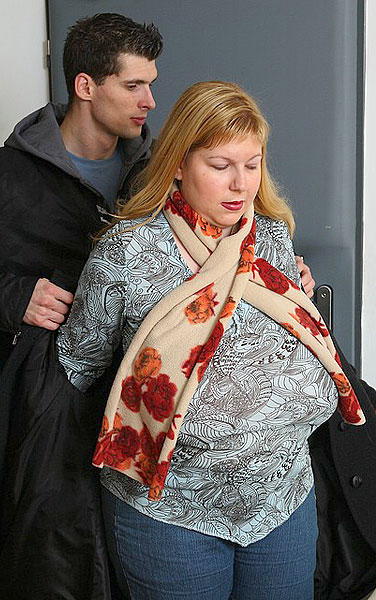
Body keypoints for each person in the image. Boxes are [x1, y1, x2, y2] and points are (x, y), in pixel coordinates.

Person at [54, 81, 365, 600]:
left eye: (252, 164)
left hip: (280, 501)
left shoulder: (269, 238)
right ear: (178, 163)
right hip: (171, 512)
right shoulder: (126, 254)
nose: (240, 184)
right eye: (220, 165)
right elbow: (78, 364)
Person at [0, 12, 162, 374]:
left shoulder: (161, 170)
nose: (149, 101)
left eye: (150, 84)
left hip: (141, 388)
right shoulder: (1, 174)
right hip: (45, 390)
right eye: (133, 86)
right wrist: (18, 298)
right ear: (85, 87)